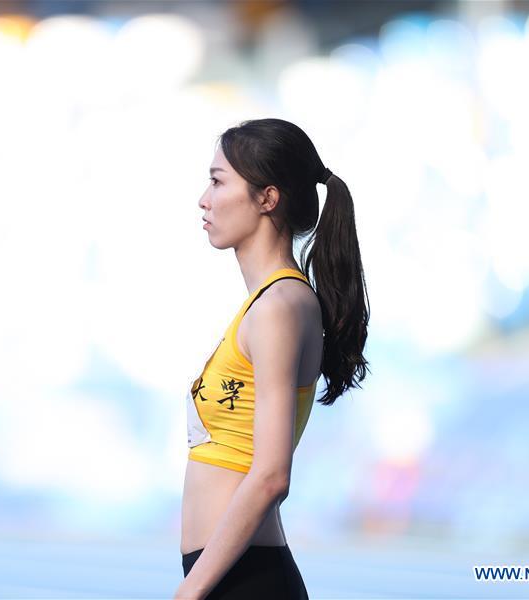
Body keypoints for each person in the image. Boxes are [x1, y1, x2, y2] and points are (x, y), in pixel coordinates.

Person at [174, 118, 370, 600]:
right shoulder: (267, 304)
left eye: (218, 181)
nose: (203, 199)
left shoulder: (280, 307)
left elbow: (270, 476)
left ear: (267, 198)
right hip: (231, 576)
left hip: (247, 580)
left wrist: (190, 592)